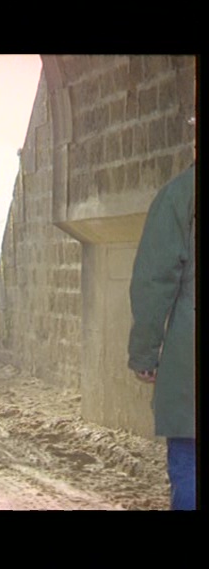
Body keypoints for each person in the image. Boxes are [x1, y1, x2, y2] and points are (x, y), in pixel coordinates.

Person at [128, 162, 195, 511]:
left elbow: (154, 282)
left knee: (190, 466)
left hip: (189, 365)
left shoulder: (181, 194)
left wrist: (145, 354)